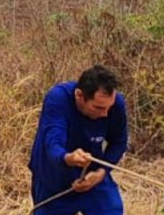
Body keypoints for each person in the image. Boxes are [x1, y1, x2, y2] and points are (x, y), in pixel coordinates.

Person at [29, 65, 128, 215]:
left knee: (112, 209)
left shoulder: (115, 104)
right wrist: (69, 158)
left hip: (92, 177)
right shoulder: (58, 99)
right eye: (98, 108)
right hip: (53, 177)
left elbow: (119, 142)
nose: (105, 114)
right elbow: (52, 143)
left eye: (109, 107)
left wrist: (101, 172)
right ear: (79, 95)